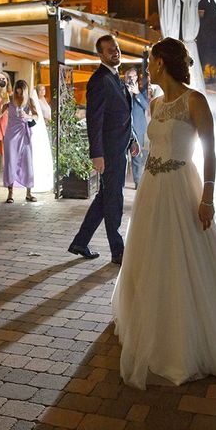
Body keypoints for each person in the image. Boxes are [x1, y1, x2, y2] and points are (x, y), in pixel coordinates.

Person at [111, 37, 216, 389]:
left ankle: (191, 333)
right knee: (149, 254)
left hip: (181, 184)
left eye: (151, 60)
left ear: (162, 63)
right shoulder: (154, 103)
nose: (147, 66)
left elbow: (210, 151)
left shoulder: (194, 100)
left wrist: (208, 196)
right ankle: (151, 324)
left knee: (186, 254)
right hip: (151, 188)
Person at [67, 35, 139, 264]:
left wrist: (133, 139)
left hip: (120, 147)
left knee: (104, 197)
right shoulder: (99, 80)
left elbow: (121, 116)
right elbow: (95, 120)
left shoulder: (116, 78)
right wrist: (96, 154)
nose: (115, 52)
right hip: (108, 152)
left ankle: (80, 242)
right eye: (109, 50)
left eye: (116, 48)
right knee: (114, 199)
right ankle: (118, 250)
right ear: (100, 54)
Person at [3, 79, 37, 203]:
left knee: (27, 162)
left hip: (24, 134)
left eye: (21, 92)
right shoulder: (10, 99)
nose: (19, 95)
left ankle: (29, 192)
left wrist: (27, 116)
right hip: (11, 134)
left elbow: (36, 116)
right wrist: (2, 103)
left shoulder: (29, 101)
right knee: (10, 162)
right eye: (17, 92)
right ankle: (10, 193)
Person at [124, 67, 149, 189]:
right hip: (124, 128)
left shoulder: (142, 91)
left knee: (136, 156)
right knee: (122, 156)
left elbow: (147, 106)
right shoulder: (121, 90)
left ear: (136, 78)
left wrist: (137, 93)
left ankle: (137, 182)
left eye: (133, 76)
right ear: (125, 77)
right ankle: (120, 182)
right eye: (129, 76)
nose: (131, 79)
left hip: (138, 129)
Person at [29, 84, 54, 193]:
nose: (43, 91)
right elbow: (38, 114)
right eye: (41, 89)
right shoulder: (37, 101)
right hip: (44, 125)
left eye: (44, 89)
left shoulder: (45, 99)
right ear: (37, 91)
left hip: (49, 126)